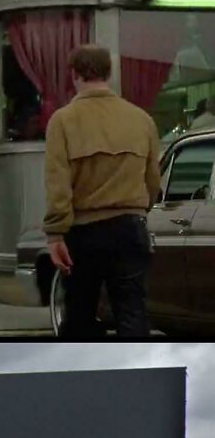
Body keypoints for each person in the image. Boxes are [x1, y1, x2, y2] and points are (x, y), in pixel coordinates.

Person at [43, 44, 161, 339]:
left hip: (84, 233)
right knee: (132, 312)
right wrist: (137, 210)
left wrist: (56, 234)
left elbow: (58, 184)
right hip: (130, 228)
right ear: (109, 73)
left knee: (80, 313)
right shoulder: (141, 120)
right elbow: (152, 182)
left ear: (74, 74)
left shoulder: (63, 121)